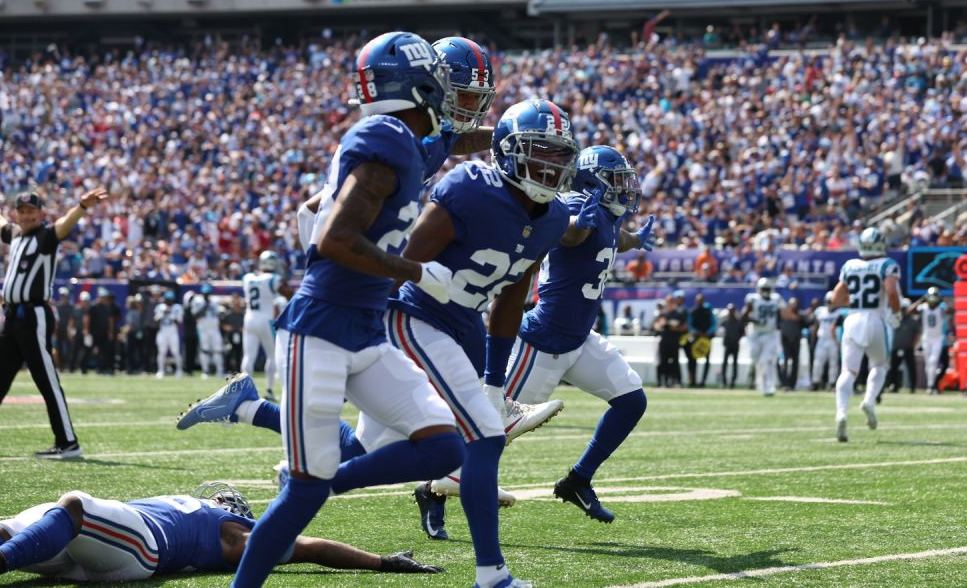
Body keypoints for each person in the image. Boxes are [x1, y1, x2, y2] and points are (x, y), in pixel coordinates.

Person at [230, 31, 465, 588]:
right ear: (415, 83)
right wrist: (416, 271)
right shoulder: (386, 137)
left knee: (442, 445)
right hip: (320, 331)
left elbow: (453, 143)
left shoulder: (403, 139)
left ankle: (320, 481)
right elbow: (335, 239)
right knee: (303, 495)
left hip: (363, 329)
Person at [370, 98, 576, 588]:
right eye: (537, 153)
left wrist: (495, 380)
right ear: (507, 153)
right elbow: (405, 261)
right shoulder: (471, 187)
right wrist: (359, 322)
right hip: (413, 314)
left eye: (558, 155)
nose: (549, 166)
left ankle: (253, 410)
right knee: (484, 434)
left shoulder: (551, 219)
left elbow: (510, 302)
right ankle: (492, 575)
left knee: (363, 446)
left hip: (461, 323)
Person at [499, 146, 655, 524]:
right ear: (593, 180)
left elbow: (615, 238)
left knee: (632, 401)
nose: (626, 188)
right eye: (617, 180)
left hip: (580, 339)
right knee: (493, 427)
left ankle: (578, 480)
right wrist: (580, 227)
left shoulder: (607, 215)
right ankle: (434, 486)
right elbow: (567, 234)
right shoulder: (573, 204)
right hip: (542, 341)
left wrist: (636, 239)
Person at [0, 482, 442, 581]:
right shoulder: (198, 507)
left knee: (75, 505)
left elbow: (308, 547)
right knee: (12, 524)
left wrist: (379, 561)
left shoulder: (231, 532)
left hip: (144, 549)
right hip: (100, 545)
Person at [0, 187, 107, 459]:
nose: (26, 216)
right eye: (22, 211)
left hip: (33, 316)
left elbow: (63, 225)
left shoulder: (45, 237)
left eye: (31, 211)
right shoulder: (16, 235)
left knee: (47, 381)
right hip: (12, 318)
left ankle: (68, 443)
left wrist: (81, 205)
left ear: (40, 213)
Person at [830, 227, 902, 442]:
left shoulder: (850, 265)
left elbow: (835, 299)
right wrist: (896, 313)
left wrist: (850, 301)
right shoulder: (887, 265)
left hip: (852, 319)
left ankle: (841, 413)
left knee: (848, 371)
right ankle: (869, 400)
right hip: (875, 319)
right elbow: (891, 292)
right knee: (879, 365)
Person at [240, 251, 284, 398]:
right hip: (266, 319)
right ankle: (269, 390)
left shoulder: (248, 278)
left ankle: (245, 391)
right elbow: (287, 292)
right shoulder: (274, 278)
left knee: (248, 356)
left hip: (249, 318)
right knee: (272, 356)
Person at [744, 277, 784, 396]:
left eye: (767, 288)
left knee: (767, 361)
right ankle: (759, 382)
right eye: (764, 289)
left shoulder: (776, 299)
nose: (766, 291)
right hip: (755, 333)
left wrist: (779, 327)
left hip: (770, 334)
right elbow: (744, 316)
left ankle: (768, 387)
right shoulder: (753, 299)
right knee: (755, 358)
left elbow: (781, 315)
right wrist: (755, 320)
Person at [913, 287, 950, 394]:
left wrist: (942, 301)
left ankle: (931, 385)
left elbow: (950, 310)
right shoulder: (923, 308)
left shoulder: (941, 308)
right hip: (927, 338)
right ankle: (930, 385)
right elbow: (910, 311)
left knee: (933, 361)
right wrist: (921, 300)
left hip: (938, 338)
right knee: (928, 363)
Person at [652, 293, 687, 388]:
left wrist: (676, 328)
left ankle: (677, 381)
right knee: (663, 362)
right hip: (664, 341)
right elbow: (655, 326)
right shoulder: (663, 314)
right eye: (668, 301)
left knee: (675, 362)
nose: (670, 303)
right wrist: (661, 324)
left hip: (674, 341)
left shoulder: (678, 313)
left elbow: (685, 327)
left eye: (672, 301)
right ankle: (664, 381)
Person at [809, 291, 841, 391]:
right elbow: (813, 323)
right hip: (821, 340)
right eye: (829, 301)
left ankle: (832, 383)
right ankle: (815, 382)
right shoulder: (820, 311)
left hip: (833, 340)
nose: (830, 303)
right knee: (818, 362)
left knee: (833, 363)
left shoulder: (839, 313)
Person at [191, 284, 224, 379]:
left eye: (208, 293)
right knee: (204, 350)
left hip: (214, 329)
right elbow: (195, 315)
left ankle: (220, 371)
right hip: (203, 329)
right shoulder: (197, 301)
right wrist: (205, 306)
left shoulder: (215, 301)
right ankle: (205, 371)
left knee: (218, 350)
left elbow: (219, 314)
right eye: (205, 294)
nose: (206, 295)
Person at [684, 292, 717, 387]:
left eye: (701, 300)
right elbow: (690, 326)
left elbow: (713, 324)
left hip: (706, 338)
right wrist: (697, 332)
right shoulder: (692, 311)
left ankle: (703, 381)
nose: (699, 302)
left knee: (707, 360)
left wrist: (707, 333)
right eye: (698, 300)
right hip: (696, 338)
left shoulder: (708, 311)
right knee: (693, 360)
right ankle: (693, 381)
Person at [88, 287, 121, 374]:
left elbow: (110, 321)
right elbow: (88, 319)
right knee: (95, 351)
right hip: (95, 333)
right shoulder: (93, 307)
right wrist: (88, 331)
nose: (104, 298)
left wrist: (110, 332)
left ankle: (104, 368)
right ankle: (95, 368)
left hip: (105, 333)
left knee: (105, 351)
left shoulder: (108, 307)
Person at [154, 291, 185, 378]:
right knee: (161, 352)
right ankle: (160, 371)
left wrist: (171, 315)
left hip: (173, 333)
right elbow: (155, 323)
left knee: (176, 352)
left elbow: (179, 323)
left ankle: (179, 370)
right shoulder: (160, 307)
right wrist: (161, 314)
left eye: (170, 300)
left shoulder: (177, 308)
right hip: (162, 332)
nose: (168, 302)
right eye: (167, 300)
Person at [777, 297, 803, 391]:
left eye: (796, 304)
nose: (794, 306)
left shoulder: (799, 316)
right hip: (785, 342)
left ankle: (792, 384)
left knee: (795, 363)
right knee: (784, 362)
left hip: (795, 341)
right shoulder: (783, 314)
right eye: (793, 303)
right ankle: (784, 383)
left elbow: (806, 323)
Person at [719, 302, 746, 388]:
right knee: (725, 363)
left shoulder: (738, 322)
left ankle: (733, 381)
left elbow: (743, 332)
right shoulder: (725, 322)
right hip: (727, 345)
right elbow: (721, 331)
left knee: (734, 364)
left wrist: (737, 338)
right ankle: (724, 381)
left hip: (735, 345)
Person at [222, 293, 246, 375]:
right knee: (228, 352)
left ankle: (238, 371)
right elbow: (222, 324)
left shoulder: (243, 314)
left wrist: (243, 329)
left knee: (239, 354)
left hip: (240, 335)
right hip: (230, 336)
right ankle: (227, 370)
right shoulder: (228, 314)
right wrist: (226, 327)